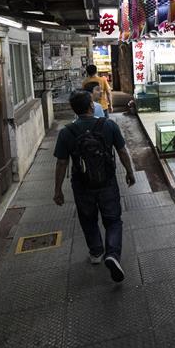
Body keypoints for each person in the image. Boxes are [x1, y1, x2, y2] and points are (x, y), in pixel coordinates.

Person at [53, 90, 136, 282]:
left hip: (81, 185)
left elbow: (61, 163)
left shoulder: (66, 132)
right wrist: (129, 172)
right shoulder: (109, 125)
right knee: (113, 220)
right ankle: (112, 254)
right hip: (107, 182)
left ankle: (97, 251)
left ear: (74, 109)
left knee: (88, 219)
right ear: (92, 106)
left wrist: (57, 190)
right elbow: (122, 151)